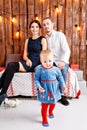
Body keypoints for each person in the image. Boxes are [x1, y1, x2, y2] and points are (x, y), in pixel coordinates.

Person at [0, 20, 47, 105]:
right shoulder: (28, 40)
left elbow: (44, 55)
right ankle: (3, 94)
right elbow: (25, 55)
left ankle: (2, 92)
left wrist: (41, 65)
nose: (34, 29)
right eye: (32, 27)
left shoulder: (42, 39)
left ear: (39, 28)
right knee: (11, 65)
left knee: (10, 67)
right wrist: (27, 60)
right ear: (30, 28)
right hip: (28, 63)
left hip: (37, 64)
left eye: (36, 27)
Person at [42, 17, 71, 106]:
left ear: (52, 25)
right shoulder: (44, 38)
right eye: (44, 25)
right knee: (46, 71)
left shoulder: (60, 35)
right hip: (52, 61)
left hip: (62, 60)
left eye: (48, 24)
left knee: (63, 70)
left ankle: (62, 95)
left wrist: (63, 61)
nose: (46, 26)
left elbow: (67, 50)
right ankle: (49, 94)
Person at [34, 50, 66, 127]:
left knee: (53, 103)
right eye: (45, 62)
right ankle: (44, 118)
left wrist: (63, 85)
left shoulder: (56, 69)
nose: (48, 63)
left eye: (50, 61)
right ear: (41, 61)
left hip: (54, 90)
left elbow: (60, 77)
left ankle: (50, 111)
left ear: (53, 60)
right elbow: (36, 79)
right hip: (44, 90)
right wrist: (39, 86)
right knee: (44, 105)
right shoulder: (39, 70)